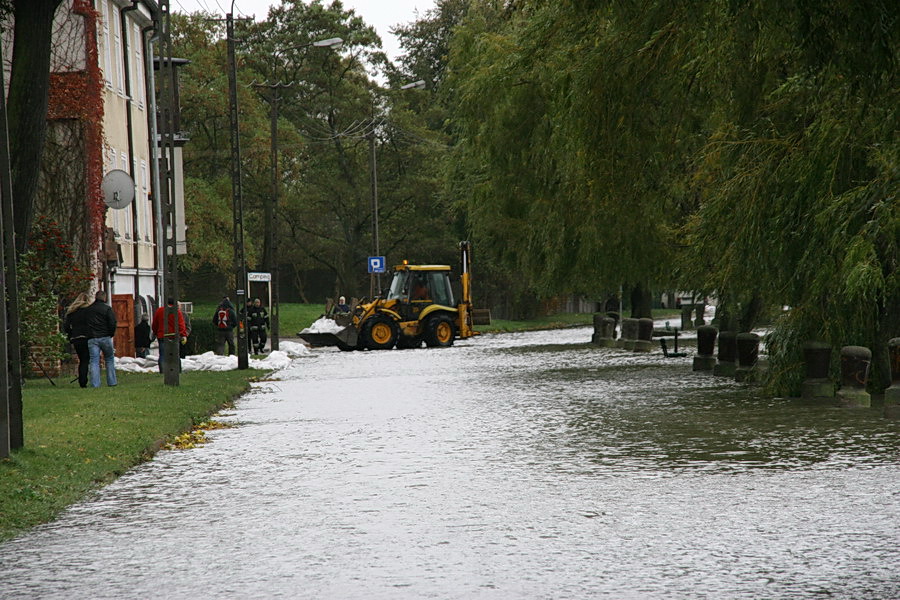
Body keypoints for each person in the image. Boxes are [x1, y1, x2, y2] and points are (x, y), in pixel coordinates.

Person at [85, 290, 117, 387]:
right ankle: (112, 382)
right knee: (109, 359)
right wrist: (111, 334)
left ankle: (95, 384)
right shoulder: (107, 309)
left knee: (94, 360)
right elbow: (112, 323)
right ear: (104, 297)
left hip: (92, 338)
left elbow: (85, 324)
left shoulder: (88, 310)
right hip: (105, 336)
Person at [63, 292, 93, 388]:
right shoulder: (89, 311)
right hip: (86, 337)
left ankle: (82, 380)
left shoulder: (72, 311)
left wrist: (70, 335)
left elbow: (66, 326)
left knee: (82, 359)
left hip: (76, 338)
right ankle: (84, 380)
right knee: (86, 360)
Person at [152, 298, 187, 373]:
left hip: (162, 335)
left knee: (163, 355)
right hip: (174, 336)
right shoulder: (177, 312)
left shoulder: (159, 311)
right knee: (175, 354)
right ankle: (177, 370)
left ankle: (163, 371)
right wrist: (183, 335)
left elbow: (155, 324)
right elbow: (181, 325)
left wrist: (156, 333)